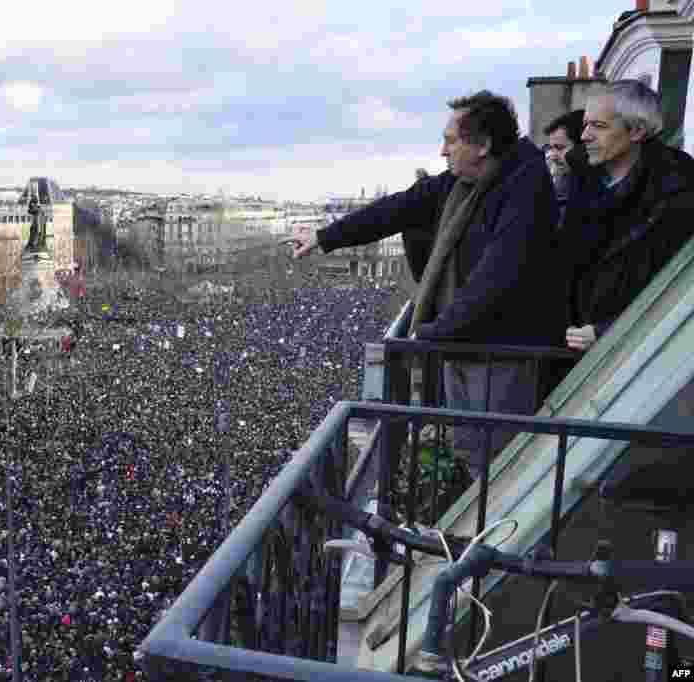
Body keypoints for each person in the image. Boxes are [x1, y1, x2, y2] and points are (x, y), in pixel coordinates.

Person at [292, 90, 566, 479]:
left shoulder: (525, 185)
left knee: (500, 462)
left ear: (484, 145)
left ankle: (495, 535)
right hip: (464, 342)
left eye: (450, 140)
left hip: (501, 350)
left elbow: (499, 272)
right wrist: (325, 236)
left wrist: (434, 331)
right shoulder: (465, 183)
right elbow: (398, 208)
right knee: (471, 449)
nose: (442, 151)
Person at [561, 80, 694, 352]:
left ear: (636, 131)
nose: (584, 135)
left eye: (599, 126)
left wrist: (608, 330)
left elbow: (678, 284)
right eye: (585, 124)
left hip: (644, 353)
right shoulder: (579, 180)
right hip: (573, 346)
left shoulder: (678, 189)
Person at [542, 109, 586, 227]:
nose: (552, 156)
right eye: (550, 148)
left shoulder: (588, 190)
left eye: (560, 148)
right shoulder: (561, 184)